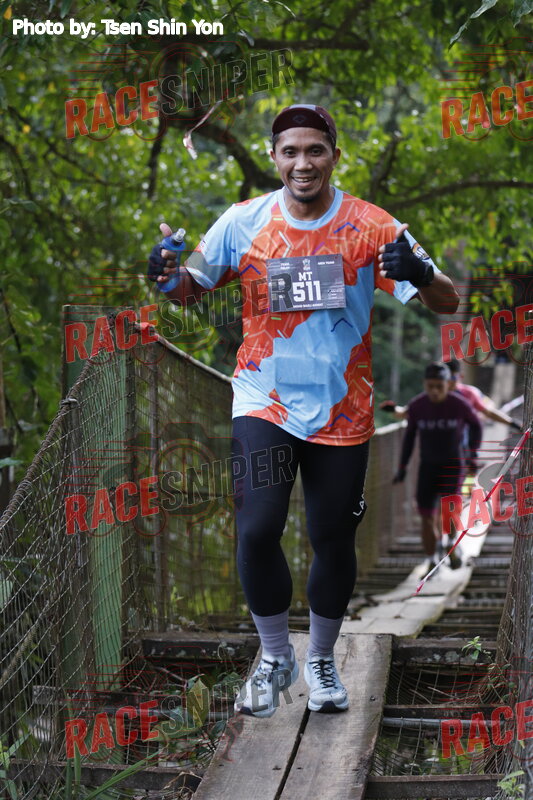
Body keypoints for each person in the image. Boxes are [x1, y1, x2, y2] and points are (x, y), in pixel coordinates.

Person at [148, 105, 459, 717]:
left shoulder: (373, 224)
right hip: (262, 398)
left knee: (331, 538)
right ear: (274, 157)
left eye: (315, 150)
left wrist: (422, 272)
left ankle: (320, 659)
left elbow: (447, 301)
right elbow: (186, 287)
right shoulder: (243, 221)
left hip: (343, 406)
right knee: (257, 527)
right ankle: (273, 657)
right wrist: (161, 272)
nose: (303, 163)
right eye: (290, 151)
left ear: (334, 157)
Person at [392, 362, 482, 576]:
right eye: (430, 386)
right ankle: (432, 559)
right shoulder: (417, 406)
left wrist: (472, 454)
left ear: (448, 384)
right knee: (426, 515)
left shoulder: (458, 404)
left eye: (439, 386)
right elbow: (409, 437)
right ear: (424, 384)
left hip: (454, 465)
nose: (434, 391)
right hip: (428, 466)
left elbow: (476, 425)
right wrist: (402, 467)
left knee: (450, 508)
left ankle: (451, 543)